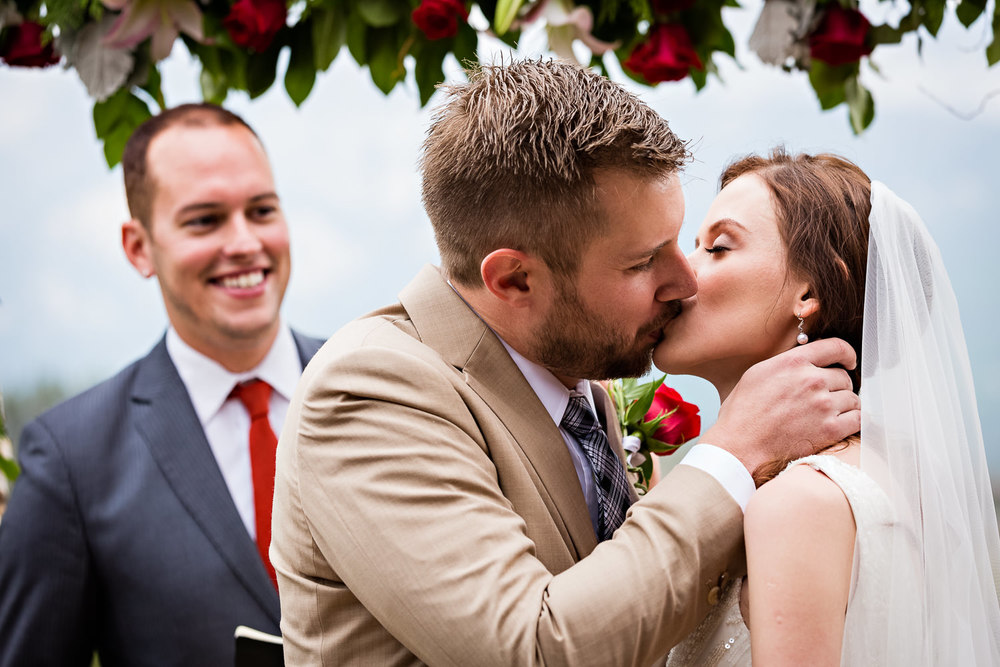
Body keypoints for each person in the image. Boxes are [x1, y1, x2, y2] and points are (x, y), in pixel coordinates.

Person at [271, 60, 860, 666]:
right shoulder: (372, 390)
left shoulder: (577, 386)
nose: (685, 280)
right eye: (640, 263)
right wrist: (731, 456)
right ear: (514, 279)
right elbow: (532, 649)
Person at [0, 103, 325, 667]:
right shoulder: (71, 461)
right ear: (138, 247)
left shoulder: (384, 389)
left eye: (262, 210)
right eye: (205, 220)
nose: (245, 241)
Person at [659, 149, 1000, 666]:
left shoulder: (799, 503)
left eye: (718, 247)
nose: (683, 269)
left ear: (811, 292)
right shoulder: (895, 477)